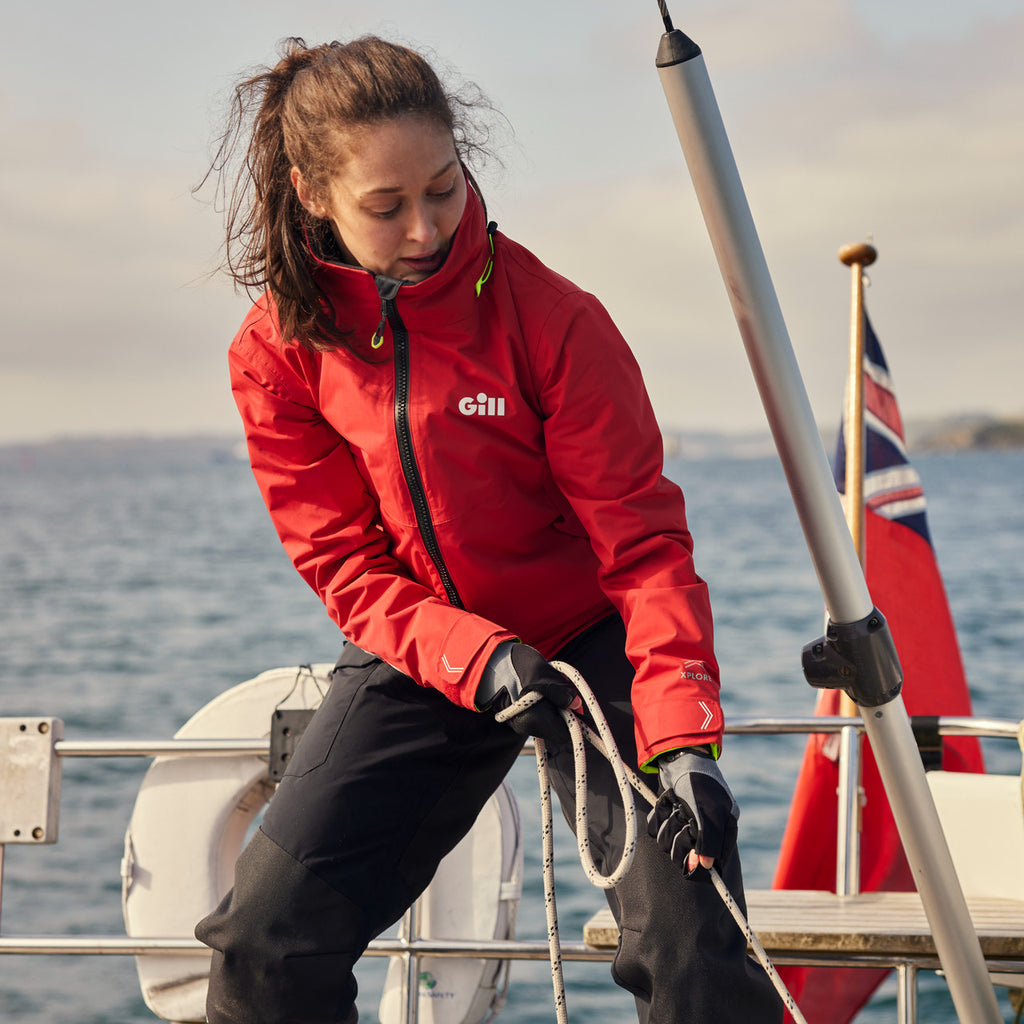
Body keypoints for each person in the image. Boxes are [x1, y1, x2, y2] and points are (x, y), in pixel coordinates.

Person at [194, 34, 783, 1024]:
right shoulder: (275, 352)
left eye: (444, 188)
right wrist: (476, 658)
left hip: (588, 640)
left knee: (691, 949)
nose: (425, 227)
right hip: (425, 645)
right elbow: (345, 566)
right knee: (263, 942)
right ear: (314, 195)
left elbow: (643, 548)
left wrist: (683, 736)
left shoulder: (554, 319)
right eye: (386, 206)